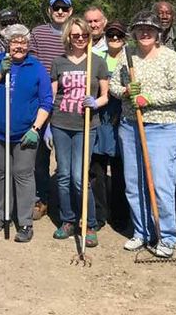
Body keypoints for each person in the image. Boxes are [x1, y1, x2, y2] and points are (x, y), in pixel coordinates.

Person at [109, 9, 176, 258]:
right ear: (133, 33)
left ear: (158, 34)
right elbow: (112, 86)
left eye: (150, 29)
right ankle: (141, 231)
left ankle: (166, 236)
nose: (145, 33)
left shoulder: (170, 58)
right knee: (134, 184)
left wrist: (148, 99)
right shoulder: (127, 55)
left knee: (162, 184)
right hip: (131, 127)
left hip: (163, 128)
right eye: (140, 29)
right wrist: (125, 91)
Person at [0, 24, 52, 243]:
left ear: (28, 44)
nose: (19, 46)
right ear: (7, 43)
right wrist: (0, 72)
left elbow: (46, 100)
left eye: (23, 42)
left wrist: (35, 128)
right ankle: (3, 215)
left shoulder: (35, 66)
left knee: (23, 174)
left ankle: (25, 222)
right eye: (15, 41)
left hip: (25, 133)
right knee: (2, 173)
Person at [49, 18, 109, 246]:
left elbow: (105, 95)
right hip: (61, 124)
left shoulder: (97, 62)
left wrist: (96, 103)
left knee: (79, 177)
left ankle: (89, 223)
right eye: (76, 35)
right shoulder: (59, 62)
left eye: (84, 34)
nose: (81, 38)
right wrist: (46, 126)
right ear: (68, 37)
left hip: (86, 126)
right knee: (63, 176)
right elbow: (52, 96)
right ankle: (67, 220)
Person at [29, 0, 73, 220]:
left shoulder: (75, 33)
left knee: (67, 156)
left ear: (70, 11)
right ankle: (41, 198)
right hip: (43, 100)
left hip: (68, 101)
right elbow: (33, 63)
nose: (59, 12)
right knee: (40, 156)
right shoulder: (38, 33)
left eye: (64, 8)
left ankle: (66, 201)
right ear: (49, 10)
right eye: (56, 8)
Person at [90, 20, 129, 231]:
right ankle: (98, 214)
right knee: (96, 169)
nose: (114, 39)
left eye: (119, 36)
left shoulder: (131, 59)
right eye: (111, 35)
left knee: (120, 170)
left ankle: (121, 216)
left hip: (121, 121)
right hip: (99, 119)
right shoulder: (97, 60)